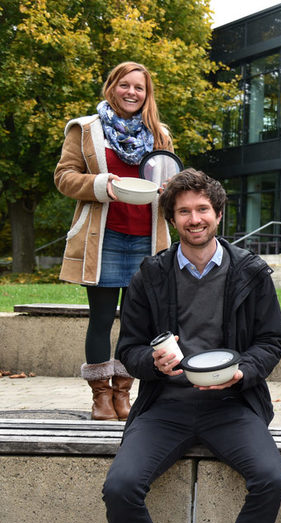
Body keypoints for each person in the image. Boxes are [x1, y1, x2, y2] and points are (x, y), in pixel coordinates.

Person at [102, 169, 281, 523]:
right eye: (184, 211)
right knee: (120, 488)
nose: (194, 219)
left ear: (218, 214)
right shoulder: (150, 275)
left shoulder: (250, 273)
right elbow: (128, 348)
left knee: (271, 479)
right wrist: (153, 364)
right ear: (172, 219)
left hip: (231, 404)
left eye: (202, 209)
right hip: (165, 407)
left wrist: (243, 372)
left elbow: (271, 340)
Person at [55, 61, 174, 421]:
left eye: (139, 88)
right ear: (112, 87)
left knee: (137, 323)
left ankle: (124, 393)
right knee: (102, 318)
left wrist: (171, 187)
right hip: (103, 238)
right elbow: (64, 177)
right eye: (125, 85)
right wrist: (100, 185)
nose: (132, 93)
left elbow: (170, 177)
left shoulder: (159, 134)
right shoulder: (86, 129)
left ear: (146, 94)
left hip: (146, 238)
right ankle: (100, 397)